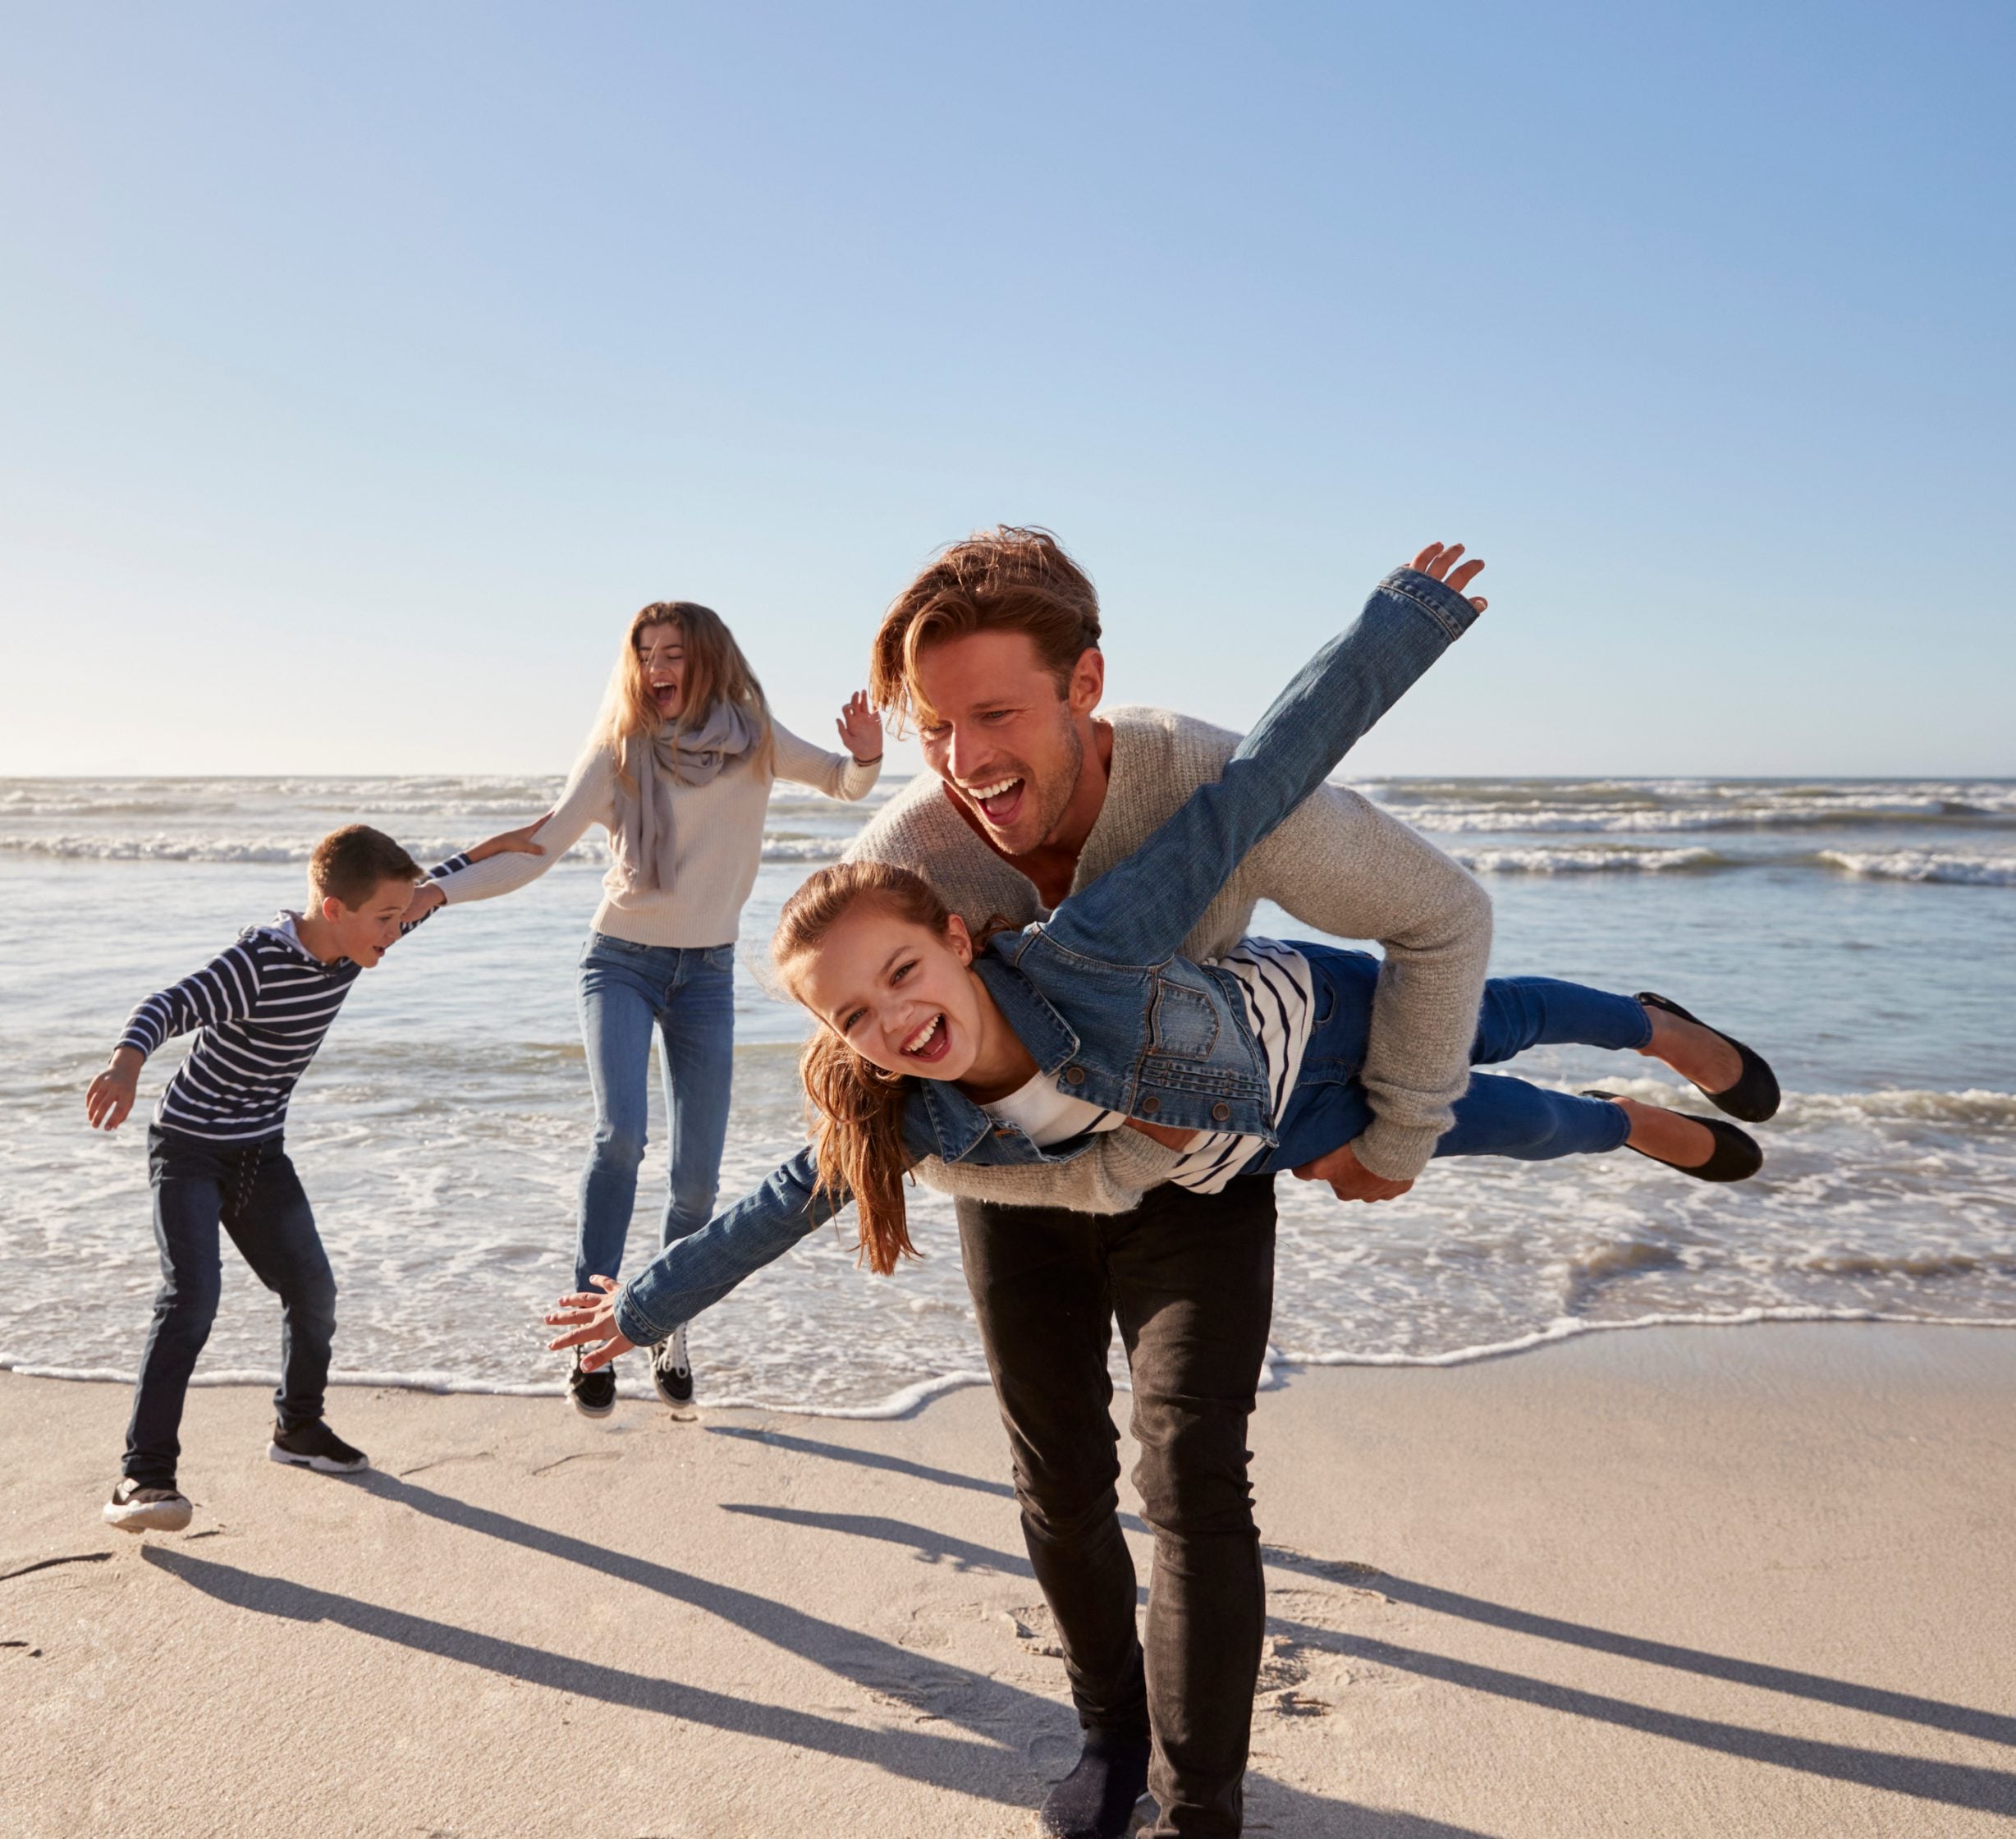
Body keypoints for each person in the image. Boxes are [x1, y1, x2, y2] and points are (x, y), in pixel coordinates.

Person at [550, 542, 1779, 1839]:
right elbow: (785, 1197)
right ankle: (1108, 1740)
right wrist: (637, 1310)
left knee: (1480, 1061)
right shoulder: (899, 956)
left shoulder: (1102, 921)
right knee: (1058, 1482)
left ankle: (1640, 1044)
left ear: (1084, 685)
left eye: (996, 715)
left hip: (1275, 1072)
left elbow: (1265, 788)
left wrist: (1402, 621)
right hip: (1078, 1194)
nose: (966, 759)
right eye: (936, 729)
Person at [424, 599, 884, 1417]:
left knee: (698, 1178)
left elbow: (844, 785)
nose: (656, 667)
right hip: (622, 962)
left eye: (672, 651)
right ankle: (587, 1335)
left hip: (706, 974)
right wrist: (436, 892)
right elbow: (541, 845)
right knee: (621, 1135)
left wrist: (866, 755)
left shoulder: (755, 739)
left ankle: (664, 1319)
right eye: (645, 652)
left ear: (704, 658)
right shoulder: (619, 752)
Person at [82, 822, 529, 1534]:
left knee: (312, 1288)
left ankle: (298, 1430)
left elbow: (429, 890)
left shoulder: (362, 935)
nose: (397, 927)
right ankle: (142, 1478)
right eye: (386, 917)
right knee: (192, 1298)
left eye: (397, 915)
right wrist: (126, 1065)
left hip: (259, 1153)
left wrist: (497, 848)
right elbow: (165, 1006)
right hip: (190, 1149)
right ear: (335, 912)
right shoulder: (257, 963)